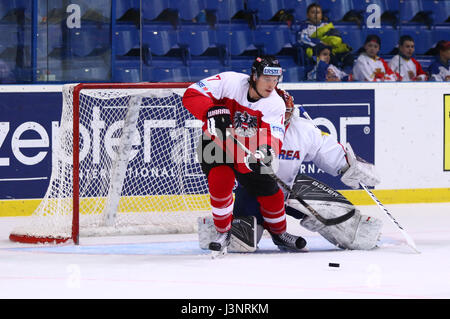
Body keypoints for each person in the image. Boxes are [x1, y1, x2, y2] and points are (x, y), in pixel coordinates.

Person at [198, 89, 383, 252]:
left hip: (289, 192)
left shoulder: (303, 130)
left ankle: (357, 230)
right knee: (242, 242)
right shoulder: (248, 128)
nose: (280, 117)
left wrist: (349, 166)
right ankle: (218, 227)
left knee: (338, 218)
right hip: (253, 193)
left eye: (285, 112)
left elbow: (326, 150)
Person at [182, 56, 307, 254]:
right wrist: (211, 110)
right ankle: (223, 232)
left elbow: (274, 136)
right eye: (267, 78)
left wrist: (265, 152)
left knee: (271, 193)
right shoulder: (229, 81)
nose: (271, 85)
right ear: (254, 76)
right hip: (217, 142)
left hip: (249, 148)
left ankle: (279, 233)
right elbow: (191, 94)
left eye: (275, 80)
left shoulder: (275, 103)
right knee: (220, 182)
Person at [296, 2, 354, 73]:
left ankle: (345, 74)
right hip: (316, 50)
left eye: (318, 12)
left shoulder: (327, 25)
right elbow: (303, 39)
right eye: (313, 12)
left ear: (321, 15)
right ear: (307, 15)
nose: (316, 15)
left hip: (332, 47)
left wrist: (330, 43)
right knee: (328, 55)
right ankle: (332, 74)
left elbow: (335, 37)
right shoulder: (305, 27)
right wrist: (321, 42)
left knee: (348, 56)